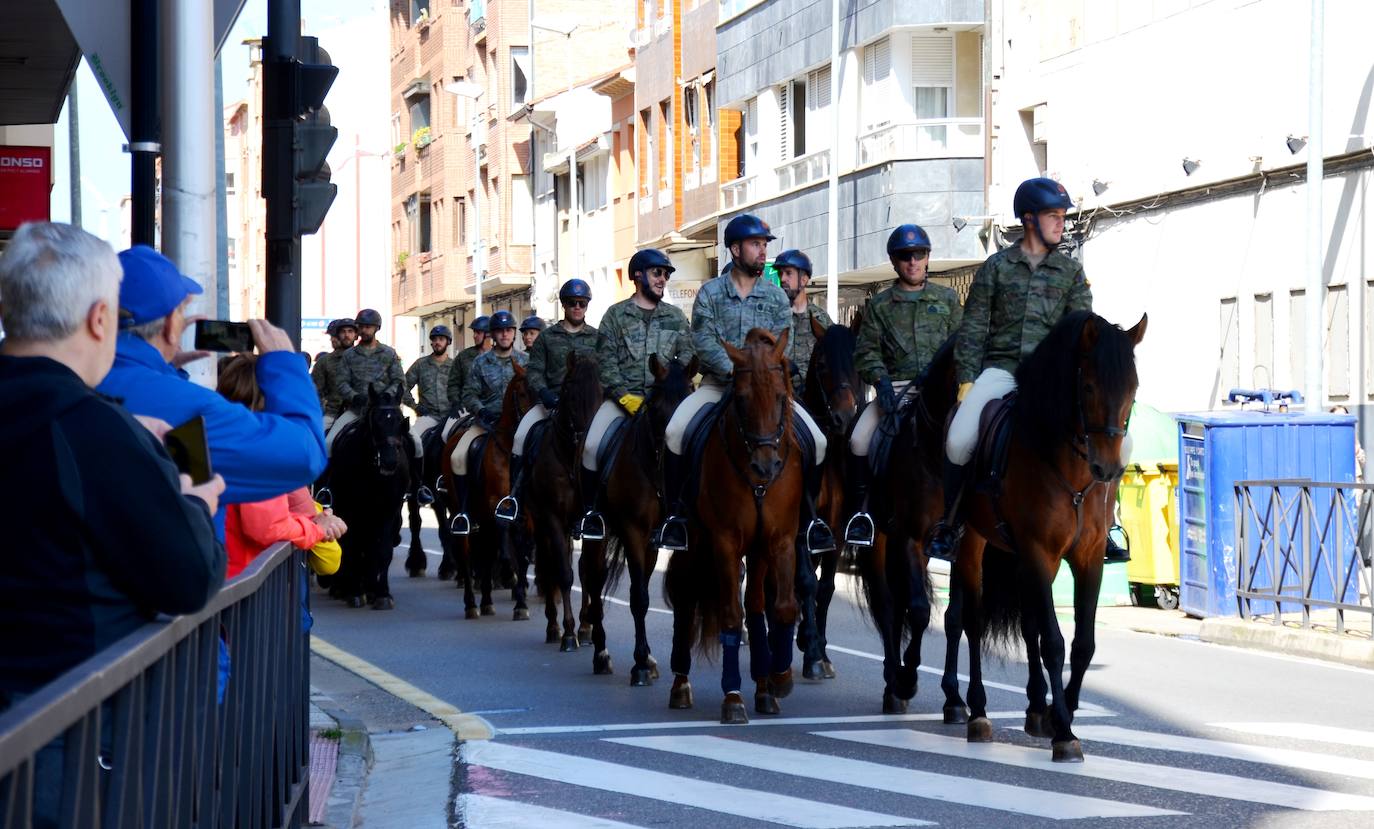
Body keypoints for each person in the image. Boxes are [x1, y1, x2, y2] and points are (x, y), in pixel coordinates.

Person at [0, 222, 225, 710]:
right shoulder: (94, 429)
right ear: (100, 319)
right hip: (63, 743)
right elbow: (188, 577)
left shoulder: (96, 424)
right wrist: (194, 502)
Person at [927, 176, 1103, 562]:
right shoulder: (995, 268)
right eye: (1053, 216)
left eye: (1062, 216)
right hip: (1001, 372)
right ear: (1028, 219)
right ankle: (951, 524)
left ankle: (1105, 525)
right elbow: (973, 328)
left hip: (1052, 381)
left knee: (1109, 438)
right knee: (957, 439)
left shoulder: (1071, 272)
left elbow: (1083, 330)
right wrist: (967, 380)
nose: (1061, 223)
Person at [97, 245, 326, 539]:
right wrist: (285, 365)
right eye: (181, 312)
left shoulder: (72, 379)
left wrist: (163, 370)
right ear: (170, 326)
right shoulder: (191, 410)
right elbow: (304, 455)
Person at [655, 213, 834, 554]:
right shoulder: (710, 293)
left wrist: (764, 377)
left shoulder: (776, 298)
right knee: (675, 432)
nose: (763, 252)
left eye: (765, 245)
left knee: (820, 441)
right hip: (717, 385)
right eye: (756, 245)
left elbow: (784, 339)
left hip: (766, 393)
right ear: (735, 250)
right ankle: (676, 517)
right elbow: (704, 340)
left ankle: (811, 520)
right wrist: (736, 373)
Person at [844, 224, 963, 546]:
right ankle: (862, 515)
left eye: (918, 255)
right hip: (895, 388)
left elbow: (962, 345)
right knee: (858, 440)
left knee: (975, 437)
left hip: (941, 394)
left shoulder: (948, 299)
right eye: (905, 256)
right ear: (894, 262)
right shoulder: (880, 305)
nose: (912, 262)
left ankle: (966, 516)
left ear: (927, 258)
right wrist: (880, 382)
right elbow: (866, 350)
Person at [576, 248, 694, 539]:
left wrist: (678, 390)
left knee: (696, 444)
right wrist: (623, 396)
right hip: (622, 402)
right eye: (657, 273)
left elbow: (689, 357)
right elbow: (606, 364)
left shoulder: (676, 317)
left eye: (666, 274)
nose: (663, 279)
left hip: (664, 405)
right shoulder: (615, 316)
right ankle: (592, 514)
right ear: (638, 276)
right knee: (591, 446)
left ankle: (683, 516)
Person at [218, 354, 347, 578]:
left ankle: (417, 484)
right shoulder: (260, 452)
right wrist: (316, 528)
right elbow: (266, 526)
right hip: (235, 576)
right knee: (328, 443)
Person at [499, 280, 599, 520]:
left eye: (582, 303)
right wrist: (544, 393)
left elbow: (605, 372)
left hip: (586, 408)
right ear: (563, 305)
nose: (577, 307)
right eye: (572, 303)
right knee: (521, 436)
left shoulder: (597, 338)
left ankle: (601, 505)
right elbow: (533, 371)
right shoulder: (546, 337)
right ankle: (515, 497)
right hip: (551, 403)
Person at [449, 311, 527, 534]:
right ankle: (464, 512)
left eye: (509, 330)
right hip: (487, 423)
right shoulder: (480, 362)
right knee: (458, 455)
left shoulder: (526, 361)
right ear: (492, 335)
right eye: (500, 331)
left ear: (514, 333)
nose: (505, 334)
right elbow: (470, 393)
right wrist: (482, 410)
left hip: (521, 426)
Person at [324, 308, 406, 455]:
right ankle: (328, 478)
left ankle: (417, 478)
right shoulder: (349, 355)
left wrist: (384, 396)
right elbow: (341, 382)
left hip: (385, 411)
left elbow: (399, 380)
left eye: (368, 327)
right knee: (328, 443)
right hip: (356, 411)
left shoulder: (388, 353)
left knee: (416, 442)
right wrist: (354, 396)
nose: (364, 330)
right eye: (361, 327)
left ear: (376, 328)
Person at [775, 249, 834, 397]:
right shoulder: (773, 318)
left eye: (788, 273)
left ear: (804, 279)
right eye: (780, 273)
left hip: (815, 399)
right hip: (779, 397)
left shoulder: (821, 319)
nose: (782, 279)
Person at [403, 324, 454, 457]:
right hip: (428, 416)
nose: (437, 342)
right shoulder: (421, 364)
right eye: (435, 339)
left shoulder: (455, 366)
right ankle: (416, 475)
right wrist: (415, 406)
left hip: (451, 417)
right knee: (412, 440)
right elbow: (403, 387)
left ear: (448, 342)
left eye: (441, 339)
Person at [444, 314, 491, 436]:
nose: (474, 336)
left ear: (488, 334)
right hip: (466, 409)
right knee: (445, 434)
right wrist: (456, 403)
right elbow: (453, 384)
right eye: (474, 332)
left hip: (493, 409)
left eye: (478, 333)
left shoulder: (499, 356)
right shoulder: (463, 356)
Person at [312, 317, 356, 431]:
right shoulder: (325, 361)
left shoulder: (367, 359)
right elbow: (316, 391)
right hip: (333, 413)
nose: (346, 335)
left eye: (350, 332)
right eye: (343, 332)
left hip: (362, 411)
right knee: (317, 436)